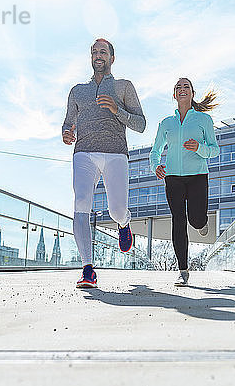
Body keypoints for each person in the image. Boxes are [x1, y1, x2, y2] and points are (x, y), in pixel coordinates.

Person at [62, 38, 146, 288]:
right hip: (84, 153)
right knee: (81, 203)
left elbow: (141, 124)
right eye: (94, 52)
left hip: (116, 153)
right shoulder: (77, 90)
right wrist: (67, 133)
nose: (99, 55)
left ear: (112, 57)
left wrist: (117, 111)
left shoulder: (123, 86)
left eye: (103, 52)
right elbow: (68, 122)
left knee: (116, 210)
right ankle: (88, 268)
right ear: (91, 57)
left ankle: (124, 223)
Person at [150, 78, 219, 286]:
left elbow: (214, 150)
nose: (182, 89)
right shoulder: (166, 123)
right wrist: (156, 166)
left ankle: (202, 223)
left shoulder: (203, 120)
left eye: (186, 86)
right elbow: (155, 151)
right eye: (178, 87)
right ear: (174, 95)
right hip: (173, 179)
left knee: (195, 220)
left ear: (192, 93)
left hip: (198, 176)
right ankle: (183, 270)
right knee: (178, 221)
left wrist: (199, 147)